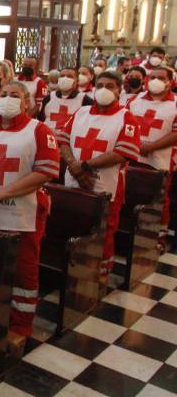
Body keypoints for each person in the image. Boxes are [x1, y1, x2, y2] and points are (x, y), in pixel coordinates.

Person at [0, 81, 60, 353]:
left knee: (23, 271)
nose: (7, 99)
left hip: (22, 212)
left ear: (26, 102)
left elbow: (47, 170)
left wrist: (6, 192)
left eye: (14, 95)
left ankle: (20, 326)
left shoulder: (38, 130)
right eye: (3, 95)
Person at [57, 71, 140, 283]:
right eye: (100, 85)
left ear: (119, 90)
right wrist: (75, 167)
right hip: (74, 179)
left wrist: (83, 166)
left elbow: (123, 152)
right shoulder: (82, 112)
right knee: (74, 224)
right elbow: (63, 141)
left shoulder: (126, 117)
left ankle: (99, 276)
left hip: (106, 185)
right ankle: (74, 271)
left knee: (103, 230)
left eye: (110, 86)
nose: (104, 90)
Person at [127, 66, 177, 251]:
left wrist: (151, 146)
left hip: (161, 160)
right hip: (133, 157)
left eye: (161, 77)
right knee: (132, 194)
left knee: (159, 199)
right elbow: (124, 123)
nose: (155, 80)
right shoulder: (135, 100)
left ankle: (159, 237)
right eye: (152, 77)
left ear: (170, 81)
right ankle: (133, 234)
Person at [40, 67, 94, 133]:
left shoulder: (85, 100)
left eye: (70, 76)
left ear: (77, 81)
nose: (65, 78)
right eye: (62, 76)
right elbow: (41, 118)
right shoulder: (48, 98)